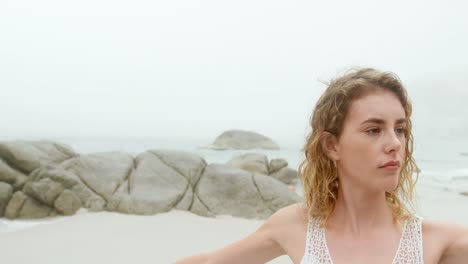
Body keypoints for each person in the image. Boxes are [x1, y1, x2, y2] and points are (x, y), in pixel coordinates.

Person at [175, 68, 468, 263]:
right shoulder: (296, 227)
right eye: (374, 130)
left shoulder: (437, 241)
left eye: (400, 129)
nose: (395, 143)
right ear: (331, 145)